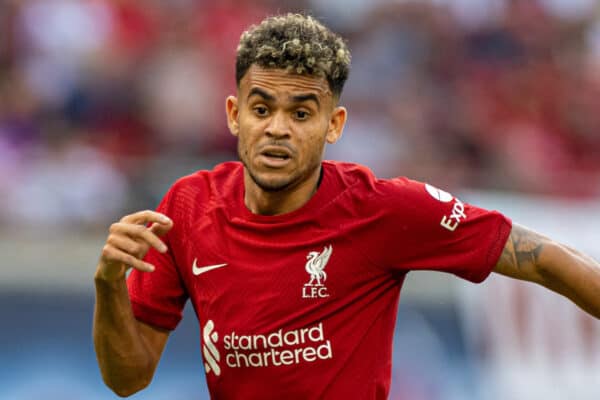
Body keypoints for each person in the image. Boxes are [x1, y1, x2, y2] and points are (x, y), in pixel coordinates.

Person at [93, 13, 600, 399]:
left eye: (301, 112)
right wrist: (109, 286)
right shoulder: (186, 207)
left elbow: (546, 257)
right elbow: (128, 379)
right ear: (234, 114)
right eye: (262, 108)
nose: (277, 129)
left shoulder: (383, 209)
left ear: (333, 125)